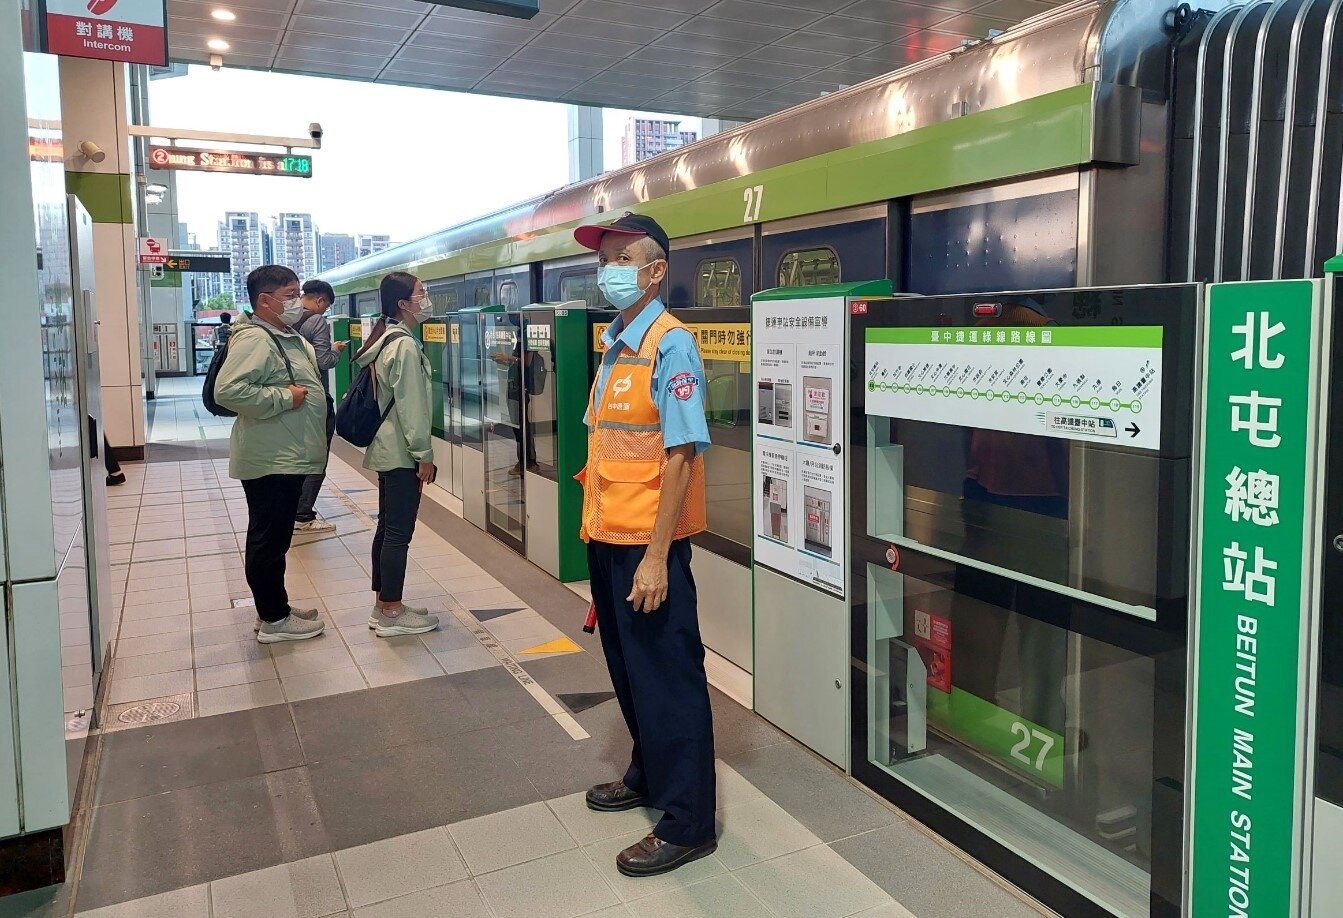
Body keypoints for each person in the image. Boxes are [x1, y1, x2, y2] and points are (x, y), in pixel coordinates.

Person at [574, 213, 717, 877]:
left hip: (645, 548)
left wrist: (658, 555)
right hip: (608, 537)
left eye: (620, 257)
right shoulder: (615, 343)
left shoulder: (669, 343)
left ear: (655, 271)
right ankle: (645, 773)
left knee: (669, 680)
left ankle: (688, 821)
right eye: (603, 258)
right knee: (630, 672)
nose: (608, 270)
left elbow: (681, 453)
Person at [213, 265, 327, 644]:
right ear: (265, 300)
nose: (298, 302)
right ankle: (274, 619)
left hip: (283, 449)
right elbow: (228, 391)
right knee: (268, 537)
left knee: (274, 537)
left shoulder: (281, 334)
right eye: (291, 295)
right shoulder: (257, 339)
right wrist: (285, 397)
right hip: (272, 454)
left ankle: (274, 608)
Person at [354, 272, 441, 638]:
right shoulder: (403, 345)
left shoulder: (387, 338)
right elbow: (412, 407)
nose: (426, 299)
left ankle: (383, 604)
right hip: (403, 452)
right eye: (422, 293)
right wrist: (424, 455)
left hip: (387, 449)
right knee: (398, 534)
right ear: (403, 304)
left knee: (387, 529)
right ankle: (392, 610)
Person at [291, 279, 346, 533]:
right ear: (320, 300)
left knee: (296, 457)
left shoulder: (285, 320)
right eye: (325, 306)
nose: (324, 311)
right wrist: (335, 350)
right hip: (314, 398)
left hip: (291, 397)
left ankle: (292, 510)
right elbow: (324, 361)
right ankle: (303, 515)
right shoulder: (316, 321)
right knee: (317, 456)